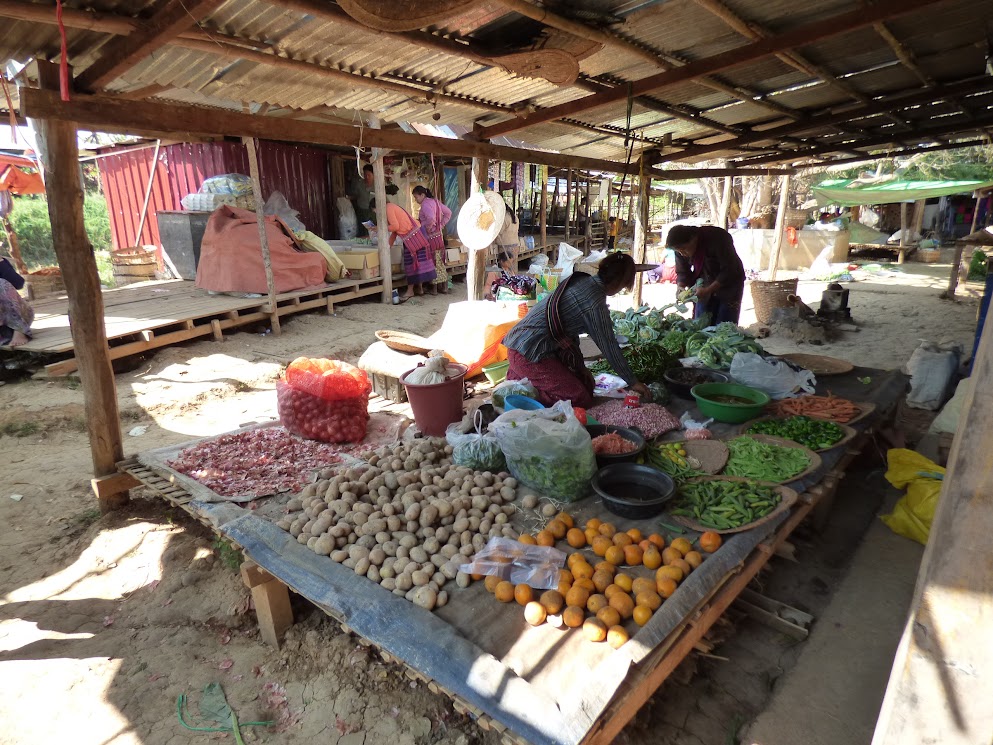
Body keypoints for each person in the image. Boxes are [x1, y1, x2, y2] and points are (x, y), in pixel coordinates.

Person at [503, 253, 652, 409]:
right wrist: (633, 381)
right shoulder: (594, 303)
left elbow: (569, 335)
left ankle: (521, 383)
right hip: (528, 353)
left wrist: (580, 367)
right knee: (579, 399)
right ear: (620, 282)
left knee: (586, 383)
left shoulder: (583, 280)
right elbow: (609, 347)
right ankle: (522, 396)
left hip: (522, 344)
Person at [668, 224, 746, 325]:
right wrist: (680, 287)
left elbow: (729, 269)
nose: (682, 253)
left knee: (724, 325)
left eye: (684, 249)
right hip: (704, 283)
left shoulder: (717, 238)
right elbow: (682, 271)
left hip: (729, 284)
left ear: (693, 239)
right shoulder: (679, 247)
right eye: (679, 251)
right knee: (701, 324)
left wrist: (708, 290)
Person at [371, 197, 436, 301]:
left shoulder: (388, 208)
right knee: (418, 263)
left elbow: (395, 227)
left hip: (413, 237)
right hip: (416, 234)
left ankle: (410, 291)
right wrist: (389, 245)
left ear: (377, 207)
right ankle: (419, 289)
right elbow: (395, 231)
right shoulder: (392, 206)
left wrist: (379, 228)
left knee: (410, 265)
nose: (375, 213)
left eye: (374, 211)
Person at [412, 186, 452, 294]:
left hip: (430, 237)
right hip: (439, 236)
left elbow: (430, 218)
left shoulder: (425, 204)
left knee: (433, 261)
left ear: (422, 195)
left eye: (416, 197)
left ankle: (434, 288)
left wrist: (428, 228)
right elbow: (448, 213)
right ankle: (444, 287)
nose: (416, 200)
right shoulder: (436, 202)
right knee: (440, 261)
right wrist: (441, 225)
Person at [0, 256, 33, 347]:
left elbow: (18, 284)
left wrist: (1, 263)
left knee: (1, 283)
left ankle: (19, 330)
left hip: (16, 315)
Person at [348, 164, 375, 235]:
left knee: (373, 230)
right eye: (365, 175)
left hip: (373, 213)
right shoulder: (359, 184)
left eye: (369, 175)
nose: (367, 177)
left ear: (373, 175)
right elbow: (355, 195)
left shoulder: (377, 185)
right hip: (362, 211)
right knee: (363, 231)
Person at [494, 200, 519, 270]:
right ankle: (515, 280)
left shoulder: (504, 218)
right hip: (515, 245)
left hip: (505, 246)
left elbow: (499, 232)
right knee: (513, 267)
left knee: (505, 267)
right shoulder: (514, 217)